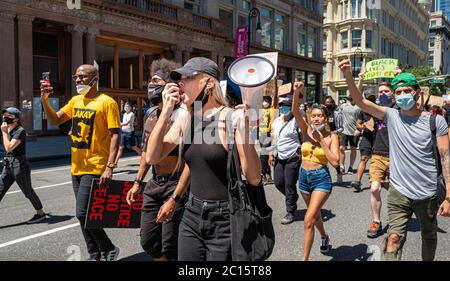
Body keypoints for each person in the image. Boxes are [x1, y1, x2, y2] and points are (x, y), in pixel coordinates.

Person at [146, 57, 261, 261]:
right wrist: (165, 111)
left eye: (187, 78)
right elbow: (153, 156)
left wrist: (244, 130)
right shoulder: (186, 117)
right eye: (178, 79)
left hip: (224, 219)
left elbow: (254, 178)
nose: (180, 84)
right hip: (191, 214)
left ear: (208, 84)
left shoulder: (230, 118)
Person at [339, 59, 450, 261]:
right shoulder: (391, 115)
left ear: (417, 92)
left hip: (428, 195)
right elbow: (361, 101)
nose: (401, 95)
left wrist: (449, 196)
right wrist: (348, 75)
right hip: (399, 193)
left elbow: (445, 158)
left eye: (406, 90)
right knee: (393, 238)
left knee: (429, 237)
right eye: (397, 92)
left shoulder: (436, 121)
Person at [40, 64, 121, 261]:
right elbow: (55, 120)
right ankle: (94, 254)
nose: (78, 80)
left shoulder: (107, 102)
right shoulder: (76, 100)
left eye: (82, 77)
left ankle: (108, 247)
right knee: (85, 215)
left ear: (95, 78)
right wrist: (44, 100)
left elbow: (115, 135)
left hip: (95, 166)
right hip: (76, 166)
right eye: (76, 77)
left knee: (82, 213)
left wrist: (110, 166)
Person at [125, 58, 187, 261]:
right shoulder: (151, 115)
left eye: (156, 81)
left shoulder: (184, 116)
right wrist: (137, 182)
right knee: (148, 241)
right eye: (150, 81)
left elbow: (190, 162)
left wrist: (175, 197)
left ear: (170, 85)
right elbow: (145, 153)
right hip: (154, 184)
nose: (151, 86)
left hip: (175, 183)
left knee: (170, 244)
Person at [291, 82, 340, 261]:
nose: (316, 119)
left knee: (308, 220)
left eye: (320, 116)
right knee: (315, 215)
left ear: (326, 118)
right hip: (304, 178)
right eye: (314, 116)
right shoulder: (306, 130)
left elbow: (335, 161)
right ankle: (324, 236)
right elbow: (295, 110)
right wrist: (296, 92)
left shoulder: (332, 136)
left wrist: (321, 141)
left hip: (321, 179)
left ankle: (304, 259)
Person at [0, 107, 50, 224]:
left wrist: (4, 132)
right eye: (4, 115)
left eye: (9, 115)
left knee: (28, 191)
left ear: (16, 119)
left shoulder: (20, 131)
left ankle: (40, 213)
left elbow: (8, 148)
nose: (5, 117)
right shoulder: (9, 129)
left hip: (19, 165)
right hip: (8, 165)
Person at [268, 94, 301, 225]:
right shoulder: (276, 121)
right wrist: (270, 153)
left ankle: (290, 211)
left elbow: (303, 135)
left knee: (289, 184)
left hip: (293, 156)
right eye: (282, 106)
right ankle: (292, 196)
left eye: (287, 106)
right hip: (279, 156)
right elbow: (273, 138)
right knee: (278, 183)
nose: (283, 108)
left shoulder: (296, 120)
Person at [367, 82, 394, 238]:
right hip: (378, 154)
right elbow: (360, 101)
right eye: (381, 91)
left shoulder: (400, 110)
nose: (382, 94)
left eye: (386, 91)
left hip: (396, 156)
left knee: (397, 192)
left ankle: (398, 218)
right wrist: (361, 81)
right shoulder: (376, 110)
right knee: (374, 188)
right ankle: (376, 221)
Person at [351, 89, 378, 191]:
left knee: (377, 160)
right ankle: (357, 181)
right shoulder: (363, 111)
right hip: (367, 137)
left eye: (372, 97)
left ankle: (378, 180)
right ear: (365, 99)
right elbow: (358, 123)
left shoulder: (380, 109)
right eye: (369, 98)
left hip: (379, 138)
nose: (371, 99)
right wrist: (364, 127)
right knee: (364, 158)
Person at [338, 96, 361, 176]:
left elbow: (361, 119)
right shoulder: (343, 106)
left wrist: (359, 129)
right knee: (341, 148)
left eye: (351, 98)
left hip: (354, 131)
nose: (351, 100)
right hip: (344, 130)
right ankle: (341, 166)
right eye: (349, 99)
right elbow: (337, 113)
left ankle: (351, 166)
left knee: (353, 149)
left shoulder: (358, 107)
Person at [114, 102, 142, 166]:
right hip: (123, 132)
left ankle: (143, 157)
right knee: (121, 148)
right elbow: (123, 122)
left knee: (133, 147)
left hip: (129, 133)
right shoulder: (124, 114)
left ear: (130, 107)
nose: (125, 107)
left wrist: (118, 124)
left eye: (127, 106)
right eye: (125, 106)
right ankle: (115, 163)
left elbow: (127, 123)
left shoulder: (131, 114)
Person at [259, 95, 275, 184]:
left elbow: (272, 122)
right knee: (264, 155)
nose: (264, 102)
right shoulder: (260, 110)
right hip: (261, 134)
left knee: (263, 154)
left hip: (267, 134)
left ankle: (262, 173)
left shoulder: (272, 110)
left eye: (266, 101)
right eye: (263, 100)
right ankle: (268, 175)